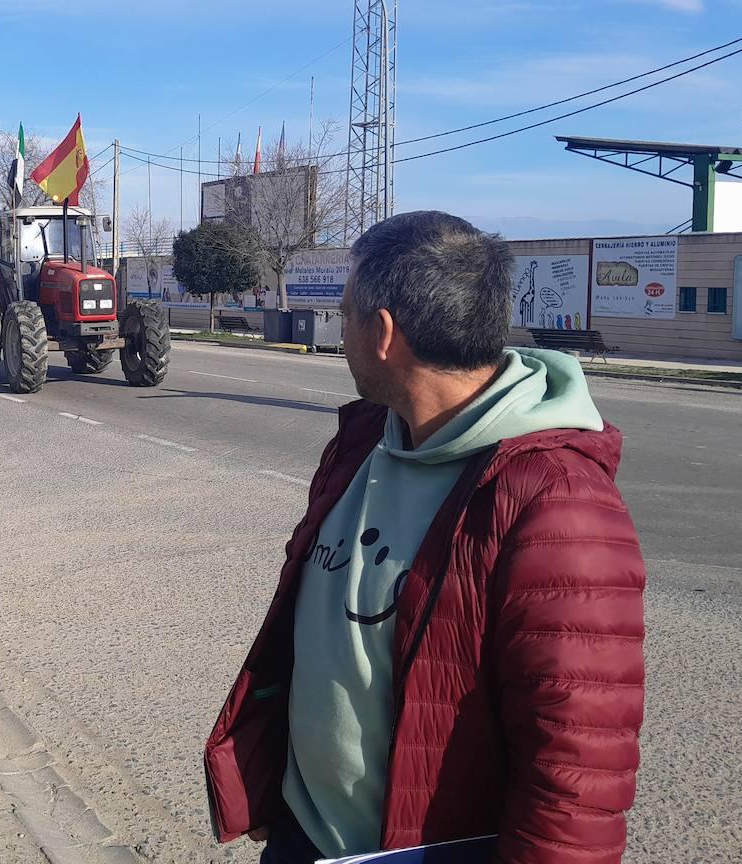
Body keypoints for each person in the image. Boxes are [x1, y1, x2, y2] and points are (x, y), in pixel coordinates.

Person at [204, 211, 645, 864]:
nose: (340, 330)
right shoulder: (363, 439)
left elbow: (577, 769)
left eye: (345, 314)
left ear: (383, 333)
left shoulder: (555, 499)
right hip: (302, 833)